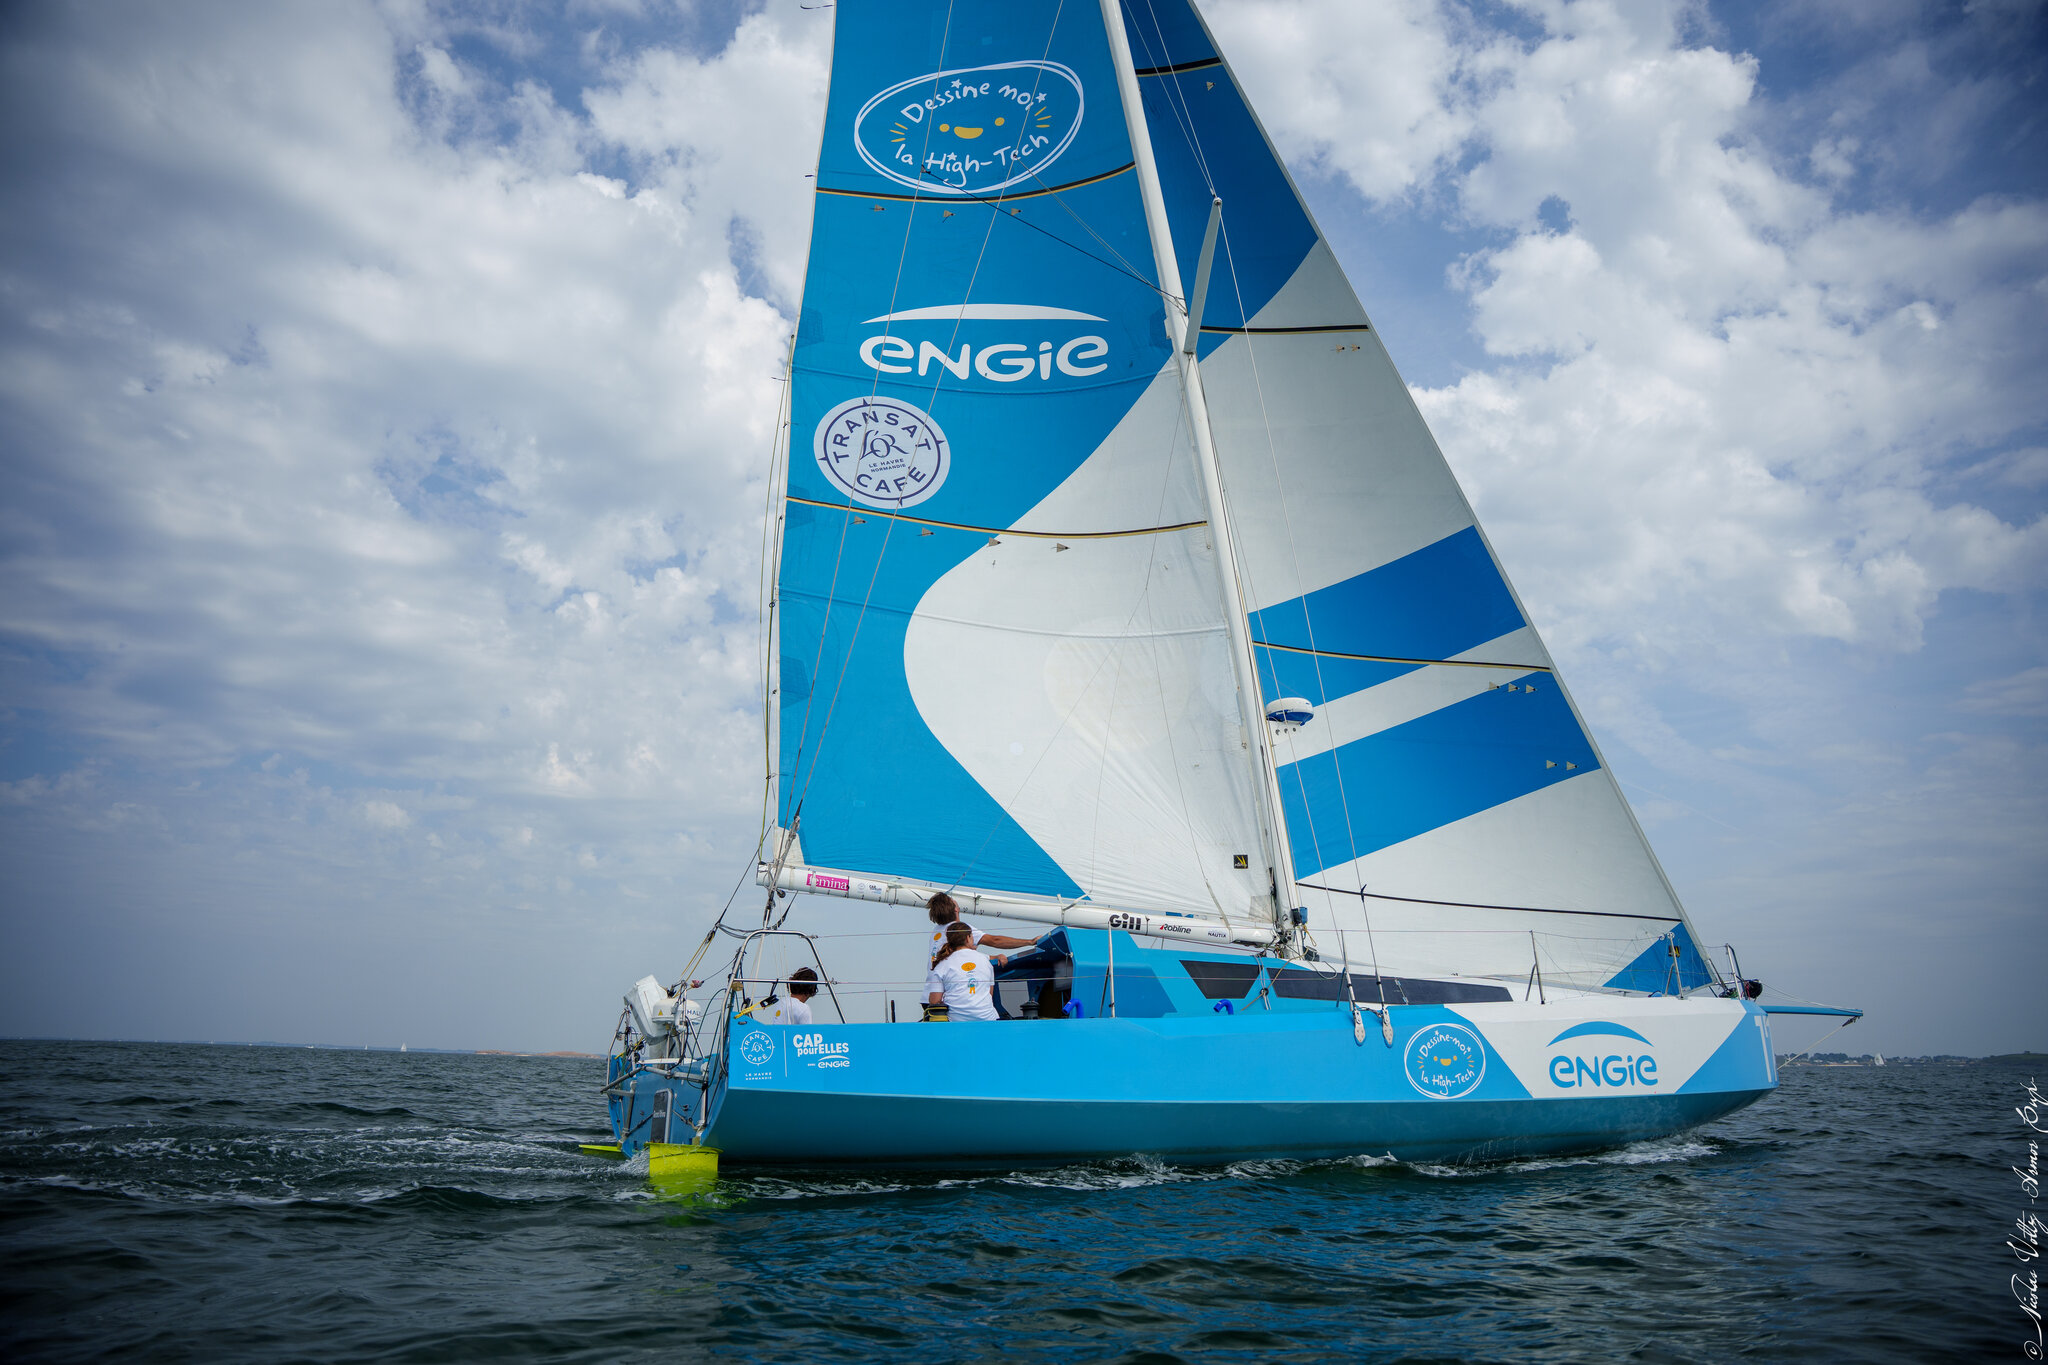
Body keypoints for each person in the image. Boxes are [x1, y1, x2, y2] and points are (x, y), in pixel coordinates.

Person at [925, 892, 1036, 965]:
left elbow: (958, 955)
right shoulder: (960, 929)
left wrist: (992, 957)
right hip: (949, 990)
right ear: (956, 909)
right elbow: (995, 941)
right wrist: (1030, 942)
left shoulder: (936, 931)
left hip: (931, 990)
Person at [925, 922, 1002, 1021]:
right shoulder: (985, 960)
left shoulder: (942, 965)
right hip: (987, 1019)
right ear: (967, 938)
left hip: (956, 1020)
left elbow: (935, 1001)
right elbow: (989, 994)